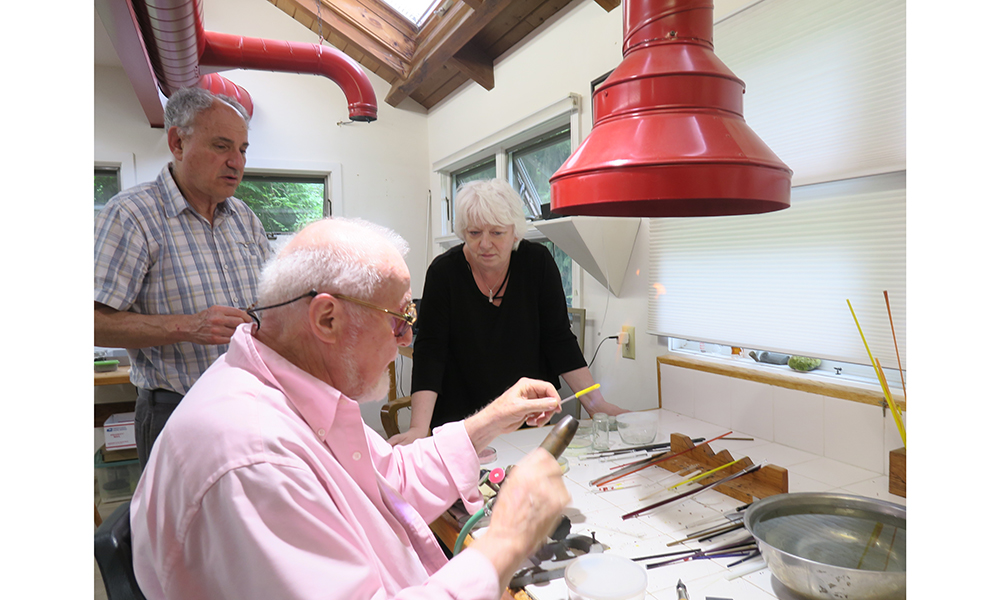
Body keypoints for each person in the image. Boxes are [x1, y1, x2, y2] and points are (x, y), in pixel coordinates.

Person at [130, 217, 571, 600]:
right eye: (398, 319)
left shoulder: (290, 389)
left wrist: (490, 421)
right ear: (327, 319)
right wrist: (510, 536)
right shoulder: (254, 461)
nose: (405, 340)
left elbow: (390, 478)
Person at [94, 87, 271, 468]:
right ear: (177, 141)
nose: (236, 162)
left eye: (242, 149)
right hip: (177, 412)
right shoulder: (133, 215)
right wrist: (190, 326)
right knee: (177, 528)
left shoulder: (244, 217)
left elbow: (269, 305)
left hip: (253, 403)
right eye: (222, 146)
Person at [389, 179, 625, 446]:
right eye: (475, 233)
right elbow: (430, 353)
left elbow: (558, 339)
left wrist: (596, 403)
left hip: (527, 417)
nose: (485, 244)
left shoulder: (537, 263)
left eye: (497, 233)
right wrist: (419, 428)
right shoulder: (444, 273)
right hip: (462, 424)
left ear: (515, 232)